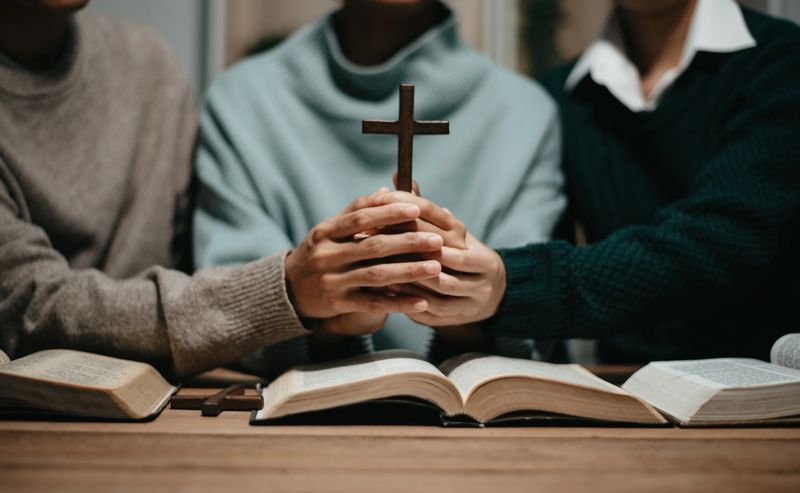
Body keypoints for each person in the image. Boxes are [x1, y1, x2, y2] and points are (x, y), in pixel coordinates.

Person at [0, 0, 450, 377]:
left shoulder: (146, 65)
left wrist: (323, 325)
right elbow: (26, 308)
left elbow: (198, 303)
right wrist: (286, 290)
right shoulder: (240, 98)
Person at [379, 0, 800, 363]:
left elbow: (721, 241)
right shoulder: (561, 98)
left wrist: (509, 283)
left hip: (763, 398)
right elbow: (547, 323)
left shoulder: (781, 63)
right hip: (625, 395)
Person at [193, 0, 565, 368]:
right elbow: (223, 320)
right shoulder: (241, 102)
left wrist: (471, 304)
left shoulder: (526, 114)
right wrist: (320, 309)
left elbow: (535, 317)